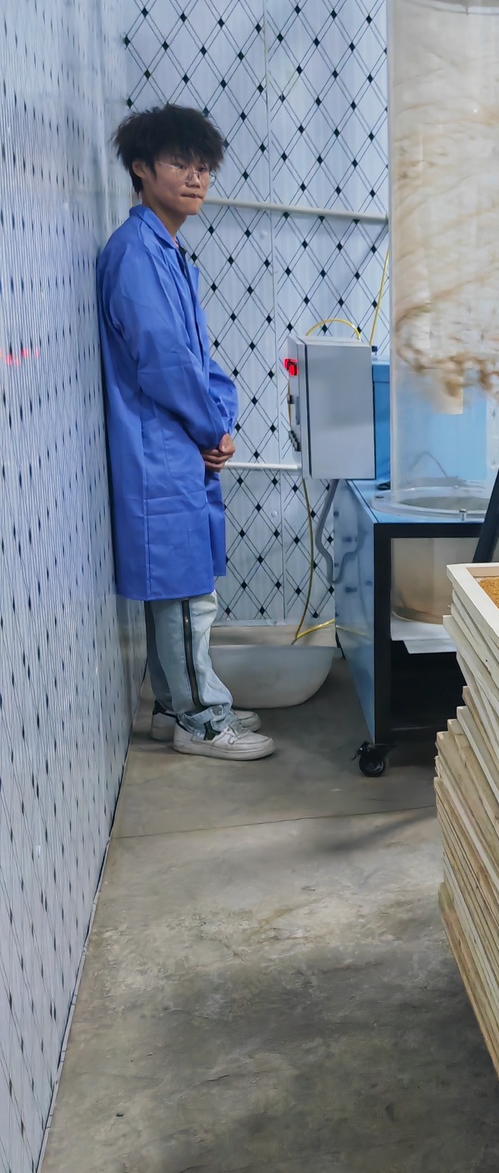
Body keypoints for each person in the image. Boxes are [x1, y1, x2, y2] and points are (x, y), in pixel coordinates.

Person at [99, 104, 274, 760]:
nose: (196, 177)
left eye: (203, 167)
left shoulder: (166, 252)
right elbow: (167, 362)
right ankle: (201, 721)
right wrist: (209, 425)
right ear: (141, 169)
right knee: (183, 594)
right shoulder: (136, 254)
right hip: (160, 447)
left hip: (179, 443)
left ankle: (173, 705)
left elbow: (198, 358)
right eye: (180, 164)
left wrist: (219, 422)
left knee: (178, 589)